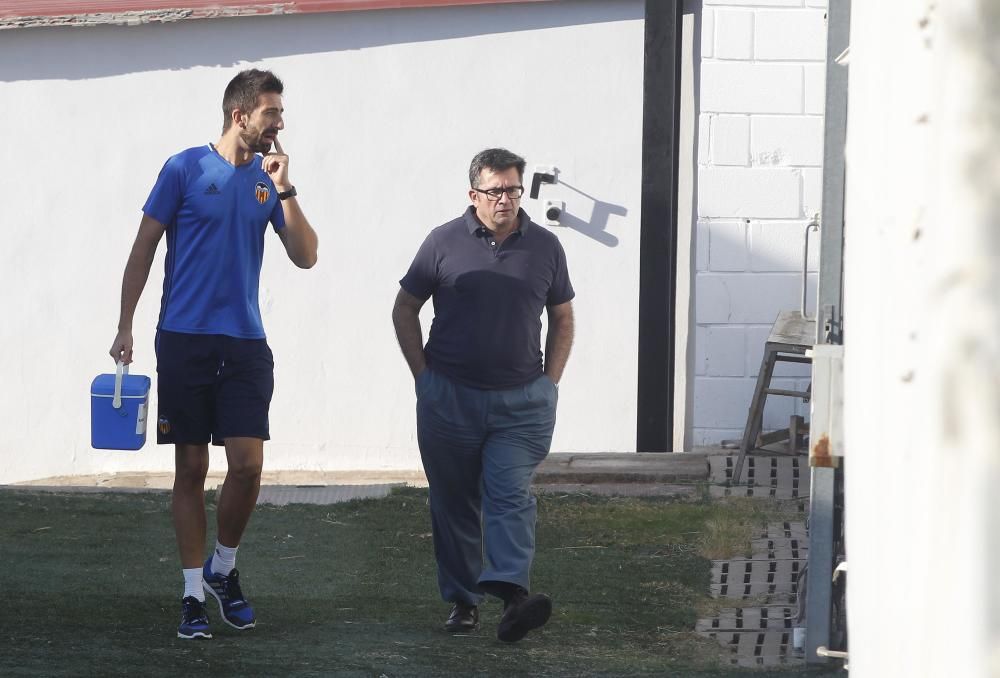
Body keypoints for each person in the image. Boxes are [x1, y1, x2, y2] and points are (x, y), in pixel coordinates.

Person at [109, 69, 318, 640]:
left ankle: (222, 569)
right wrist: (125, 323)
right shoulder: (183, 169)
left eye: (280, 113)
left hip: (246, 342)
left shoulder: (267, 182)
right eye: (272, 113)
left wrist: (285, 188)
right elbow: (144, 248)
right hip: (184, 340)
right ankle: (191, 596)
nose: (279, 123)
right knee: (192, 469)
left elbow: (306, 257)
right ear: (240, 114)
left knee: (248, 465)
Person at [392, 148, 575, 643]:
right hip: (448, 399)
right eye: (495, 191)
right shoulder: (442, 242)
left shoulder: (545, 248)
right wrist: (423, 378)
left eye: (514, 190)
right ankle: (463, 602)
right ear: (474, 195)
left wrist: (549, 382)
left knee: (509, 493)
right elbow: (405, 308)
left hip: (521, 405)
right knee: (453, 503)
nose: (506, 200)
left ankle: (515, 596)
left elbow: (562, 317)